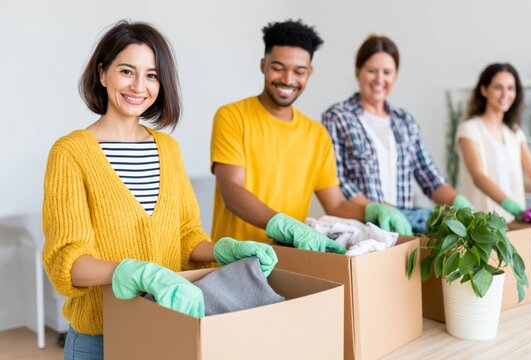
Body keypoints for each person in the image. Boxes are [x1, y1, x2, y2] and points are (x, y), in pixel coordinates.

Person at [42, 21, 276, 360]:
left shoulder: (168, 148)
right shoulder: (71, 152)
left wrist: (225, 250)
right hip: (101, 338)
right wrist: (132, 272)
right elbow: (67, 260)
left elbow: (186, 236)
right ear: (103, 73)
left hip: (166, 328)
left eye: (152, 75)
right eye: (127, 71)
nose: (139, 86)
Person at [210, 20, 412, 252]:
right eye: (278, 67)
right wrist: (281, 225)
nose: (288, 79)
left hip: (291, 261)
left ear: (309, 73)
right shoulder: (232, 117)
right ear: (263, 65)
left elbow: (335, 204)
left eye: (299, 71)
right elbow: (232, 192)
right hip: (235, 260)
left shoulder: (316, 135)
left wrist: (372, 210)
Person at [321, 35, 473, 233]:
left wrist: (458, 201)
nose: (379, 79)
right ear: (358, 72)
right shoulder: (337, 117)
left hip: (402, 228)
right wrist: (378, 211)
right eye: (372, 71)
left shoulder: (405, 121)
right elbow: (338, 182)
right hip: (360, 229)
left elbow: (429, 176)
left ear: (395, 75)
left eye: (387, 72)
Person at [456, 62, 531, 221]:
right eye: (498, 87)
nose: (505, 94)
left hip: (513, 221)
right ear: (484, 90)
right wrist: (509, 205)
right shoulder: (470, 129)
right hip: (480, 224)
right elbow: (478, 176)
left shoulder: (514, 133)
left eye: (510, 88)